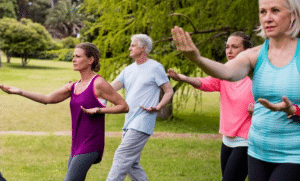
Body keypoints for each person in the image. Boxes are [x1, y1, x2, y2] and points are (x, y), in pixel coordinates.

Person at [171, 0, 300, 180]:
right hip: (257, 152)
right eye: (263, 12)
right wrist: (197, 59)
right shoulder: (254, 55)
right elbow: (227, 72)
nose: (267, 18)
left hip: (294, 155)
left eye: (275, 10)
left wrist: (294, 110)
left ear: (294, 14)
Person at [0, 42, 129, 181]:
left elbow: (123, 106)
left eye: (78, 56)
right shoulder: (73, 86)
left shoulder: (98, 83)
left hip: (91, 144)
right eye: (73, 56)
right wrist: (19, 92)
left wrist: (99, 109)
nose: (73, 59)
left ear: (91, 60)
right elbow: (47, 99)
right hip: (76, 145)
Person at [168, 31, 254, 181]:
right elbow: (205, 83)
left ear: (246, 51)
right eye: (227, 47)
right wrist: (184, 78)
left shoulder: (255, 77)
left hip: (247, 140)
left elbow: (275, 99)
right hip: (227, 139)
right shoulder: (225, 74)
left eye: (235, 47)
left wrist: (259, 108)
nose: (229, 51)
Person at [106, 34, 174, 181]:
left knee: (121, 156)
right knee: (131, 164)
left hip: (143, 120)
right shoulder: (128, 70)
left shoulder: (155, 67)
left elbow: (169, 91)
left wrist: (159, 106)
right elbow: (109, 89)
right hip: (129, 121)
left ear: (143, 48)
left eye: (133, 45)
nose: (130, 48)